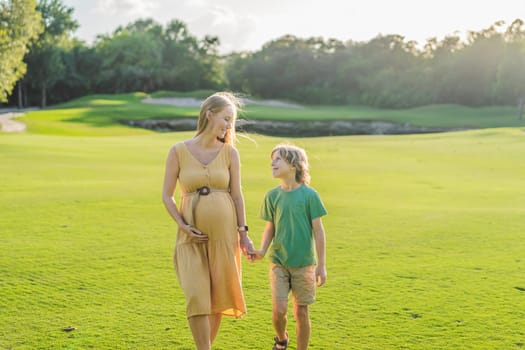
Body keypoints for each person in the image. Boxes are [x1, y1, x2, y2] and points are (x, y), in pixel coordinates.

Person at [162, 92, 254, 350]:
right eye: (226, 118)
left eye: (231, 121)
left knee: (219, 296)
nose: (228, 126)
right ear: (208, 113)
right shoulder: (178, 151)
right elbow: (167, 195)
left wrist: (243, 233)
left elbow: (237, 195)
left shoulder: (230, 153)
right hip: (190, 236)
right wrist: (182, 225)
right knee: (197, 295)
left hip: (225, 237)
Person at [252, 144, 327, 350]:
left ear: (293, 165)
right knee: (279, 309)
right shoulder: (272, 196)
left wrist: (321, 265)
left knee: (301, 311)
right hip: (279, 262)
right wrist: (261, 251)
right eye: (272, 159)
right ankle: (281, 339)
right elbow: (271, 227)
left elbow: (319, 232)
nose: (272, 163)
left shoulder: (310, 195)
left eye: (278, 159)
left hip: (304, 264)